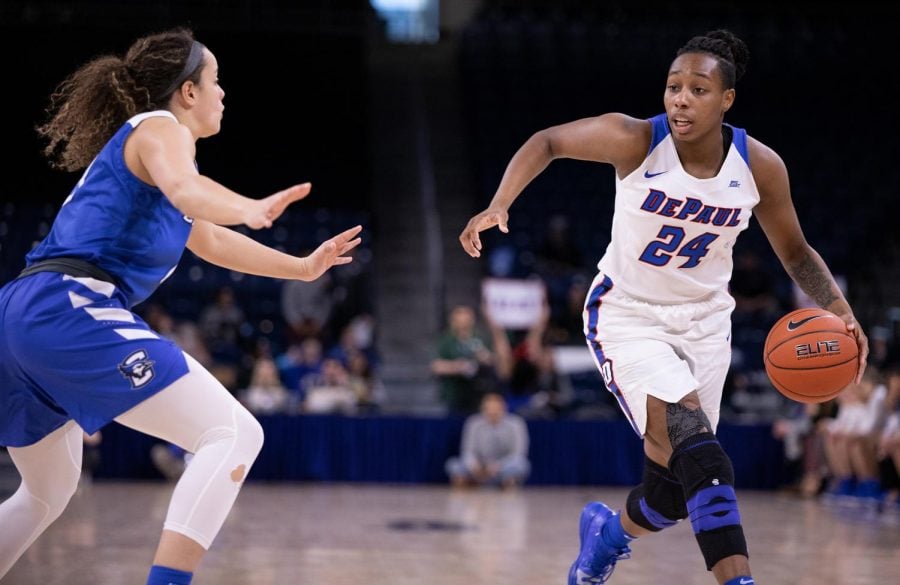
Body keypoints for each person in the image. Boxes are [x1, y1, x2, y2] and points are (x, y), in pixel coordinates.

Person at [460, 29, 868, 585]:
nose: (680, 98)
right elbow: (548, 141)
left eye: (698, 89)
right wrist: (499, 204)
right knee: (707, 459)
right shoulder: (634, 140)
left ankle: (605, 540)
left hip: (705, 325)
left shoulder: (760, 167)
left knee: (672, 495)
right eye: (673, 86)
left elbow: (795, 252)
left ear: (726, 99)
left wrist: (842, 311)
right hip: (628, 315)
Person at [0, 28, 361, 585]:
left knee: (46, 493)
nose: (223, 94)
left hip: (26, 315)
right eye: (216, 81)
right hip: (66, 306)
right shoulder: (159, 128)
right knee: (235, 433)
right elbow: (193, 194)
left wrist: (304, 266)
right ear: (187, 92)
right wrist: (253, 205)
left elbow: (209, 238)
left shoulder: (154, 162)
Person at [445, 392, 531, 489]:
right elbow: (467, 450)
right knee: (453, 465)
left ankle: (505, 482)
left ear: (503, 408)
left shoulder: (516, 424)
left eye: (496, 409)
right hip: (478, 468)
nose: (492, 412)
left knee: (521, 465)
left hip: (502, 469)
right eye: (489, 409)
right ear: (483, 409)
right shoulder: (473, 423)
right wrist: (474, 465)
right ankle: (472, 482)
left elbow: (518, 453)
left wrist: (498, 466)